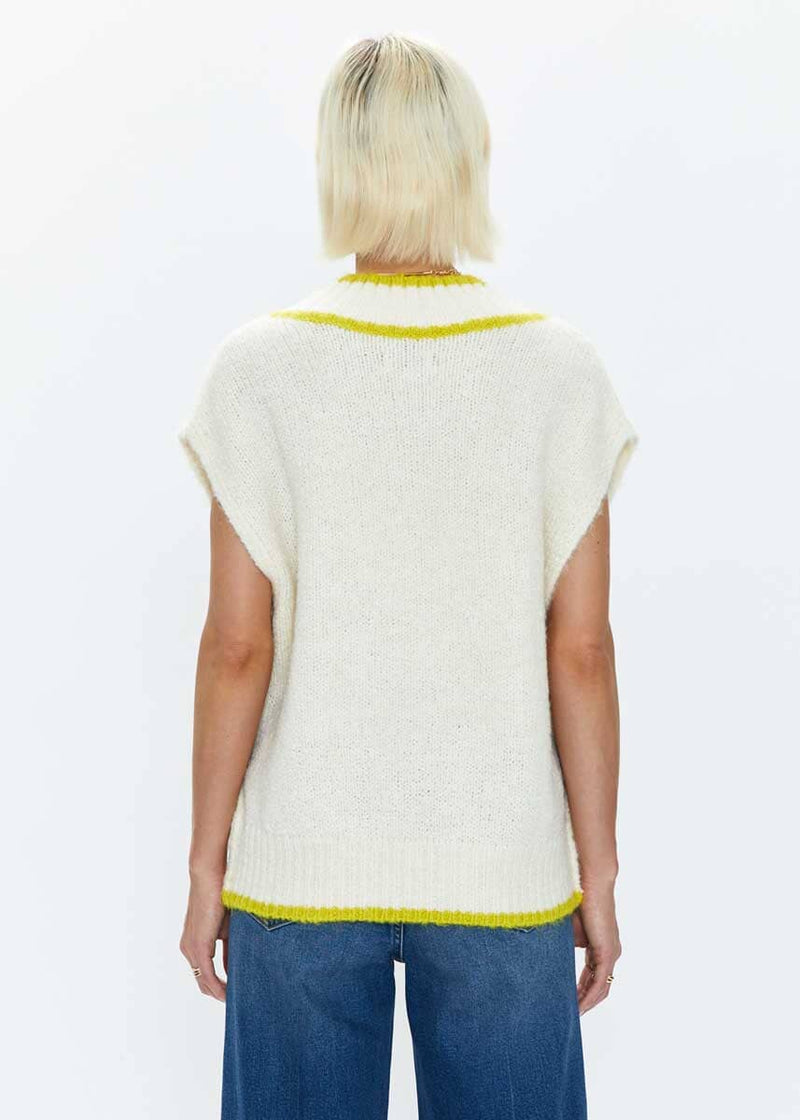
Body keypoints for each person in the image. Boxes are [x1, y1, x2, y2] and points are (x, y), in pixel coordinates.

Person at [178, 32, 637, 1120]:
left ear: (335, 167)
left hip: (299, 872)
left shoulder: (260, 370)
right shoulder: (557, 372)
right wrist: (599, 869)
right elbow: (578, 649)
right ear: (468, 159)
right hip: (503, 872)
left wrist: (204, 865)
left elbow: (238, 646)